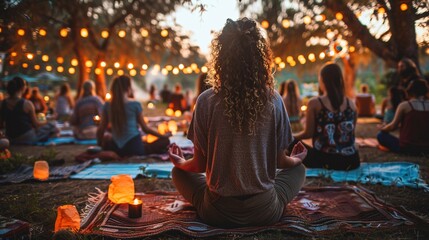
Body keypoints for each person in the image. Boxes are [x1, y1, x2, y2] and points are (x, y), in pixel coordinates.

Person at [168, 18, 306, 228]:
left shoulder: (206, 100)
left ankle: (202, 202)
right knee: (299, 170)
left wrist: (179, 162)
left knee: (178, 173)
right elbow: (281, 162)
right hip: (265, 211)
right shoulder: (274, 99)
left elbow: (199, 165)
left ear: (221, 57)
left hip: (218, 212)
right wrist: (296, 159)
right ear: (260, 58)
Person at [293, 62, 360, 170]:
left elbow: (308, 133)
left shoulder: (315, 103)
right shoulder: (352, 104)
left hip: (324, 160)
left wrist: (290, 137)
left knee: (290, 142)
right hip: (352, 161)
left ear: (322, 80)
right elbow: (351, 134)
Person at [97, 75, 170, 157]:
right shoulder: (135, 104)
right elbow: (145, 129)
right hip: (134, 147)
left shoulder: (107, 105)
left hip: (115, 148)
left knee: (108, 140)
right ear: (128, 88)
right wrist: (163, 136)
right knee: (165, 141)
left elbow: (101, 129)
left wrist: (100, 146)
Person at [0, 77, 58, 144]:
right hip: (27, 137)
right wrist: (48, 121)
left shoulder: (2, 103)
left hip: (11, 138)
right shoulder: (27, 103)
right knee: (52, 125)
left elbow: (1, 124)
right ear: (22, 88)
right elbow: (36, 124)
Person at [377, 78, 429, 154]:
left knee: (381, 135)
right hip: (426, 148)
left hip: (407, 148)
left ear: (410, 91)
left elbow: (392, 127)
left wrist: (383, 128)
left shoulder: (404, 105)